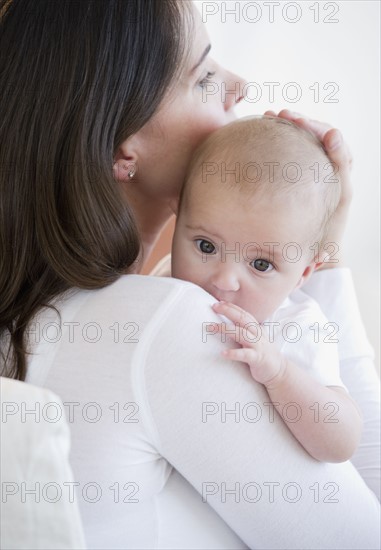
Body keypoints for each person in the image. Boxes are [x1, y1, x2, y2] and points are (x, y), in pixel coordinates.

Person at [0, 1, 379, 549]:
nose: (239, 85)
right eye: (204, 75)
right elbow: (365, 532)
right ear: (123, 145)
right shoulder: (170, 325)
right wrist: (326, 246)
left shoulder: (39, 311)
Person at [171, 116, 362, 463]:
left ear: (304, 273)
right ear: (177, 218)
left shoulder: (295, 326)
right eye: (206, 246)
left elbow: (343, 442)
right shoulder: (160, 293)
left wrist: (280, 373)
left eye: (261, 265)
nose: (224, 280)